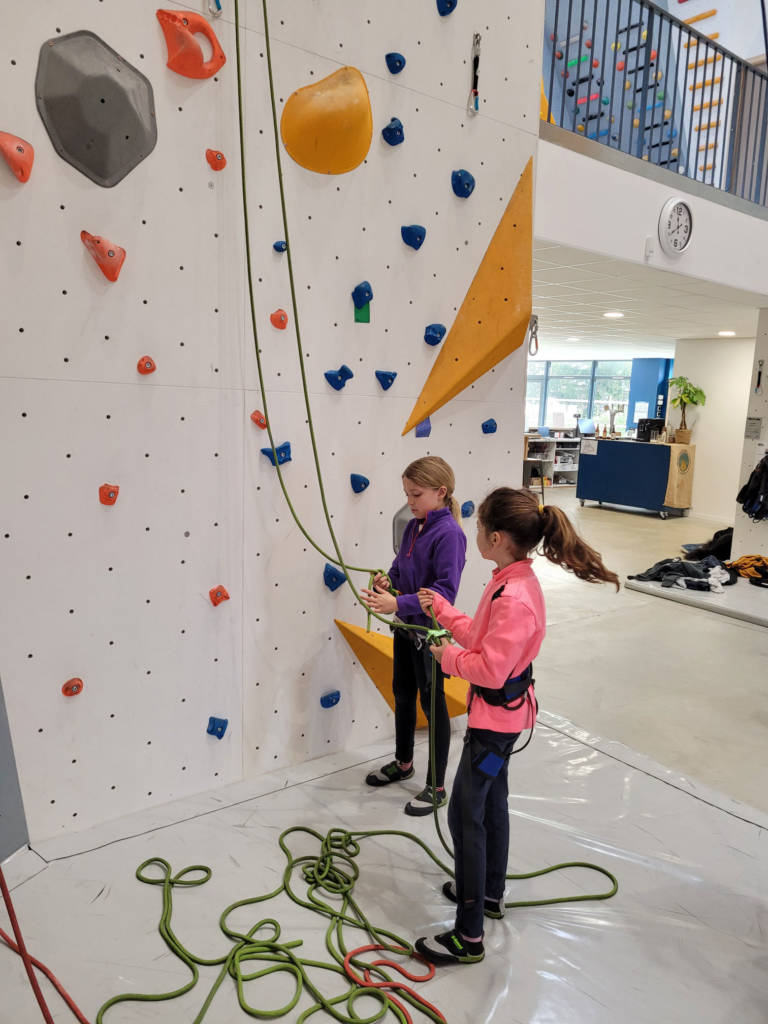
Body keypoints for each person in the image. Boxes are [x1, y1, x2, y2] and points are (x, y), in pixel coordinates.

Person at [413, 487, 619, 965]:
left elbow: (490, 669)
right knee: (491, 805)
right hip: (501, 721)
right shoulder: (509, 580)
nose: (476, 532)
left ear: (498, 537)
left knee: (466, 816)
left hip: (495, 726)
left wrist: (447, 658)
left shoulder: (515, 596)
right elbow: (485, 639)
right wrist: (442, 612)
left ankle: (468, 936)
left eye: (481, 526)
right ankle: (489, 895)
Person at [361, 457, 467, 816]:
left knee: (432, 705)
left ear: (441, 492)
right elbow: (400, 567)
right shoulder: (414, 525)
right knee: (403, 695)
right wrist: (387, 583)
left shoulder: (450, 534)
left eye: (416, 494)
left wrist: (398, 602)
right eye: (407, 493)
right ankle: (403, 762)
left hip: (429, 636)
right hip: (406, 629)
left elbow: (443, 594)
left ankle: (436, 786)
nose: (410, 500)